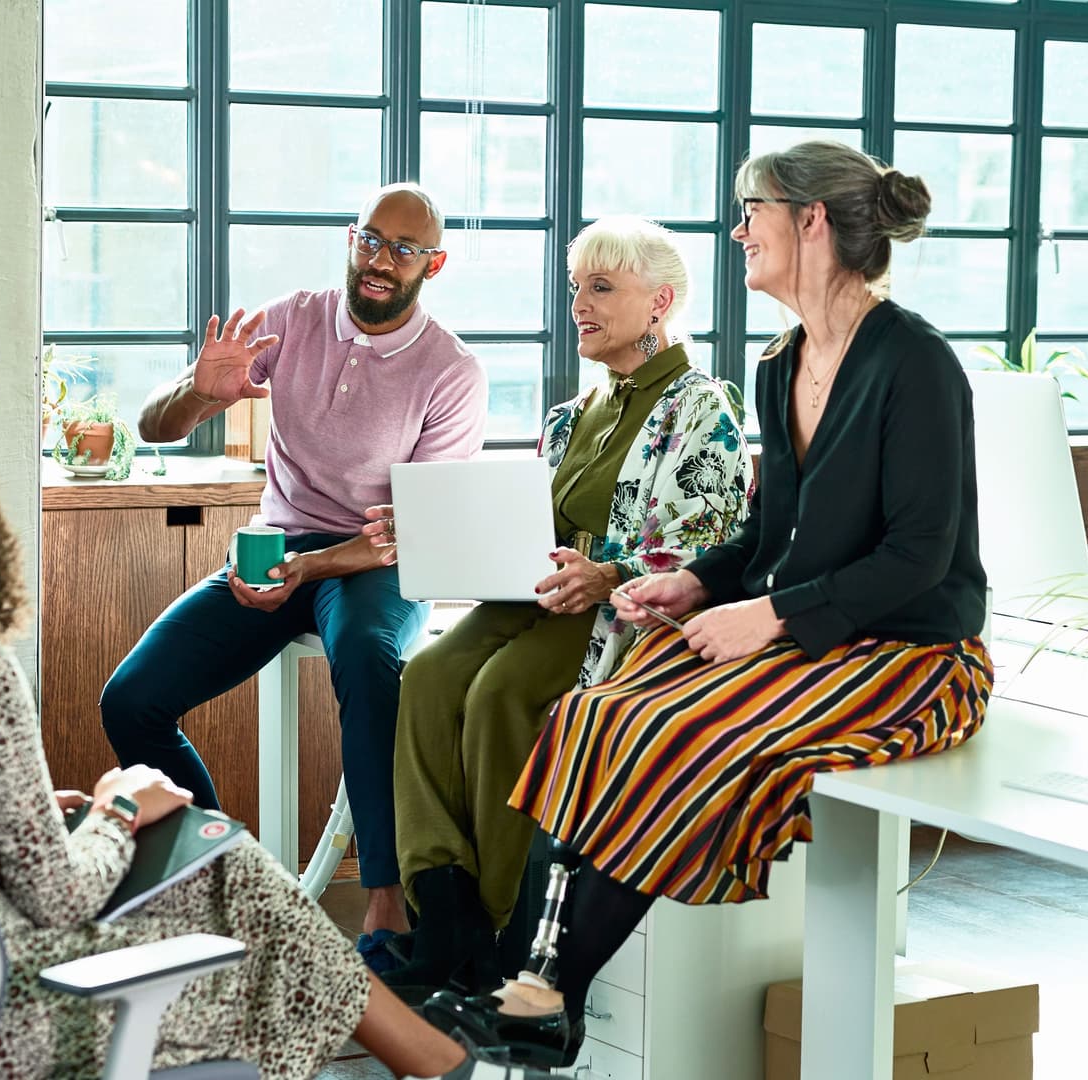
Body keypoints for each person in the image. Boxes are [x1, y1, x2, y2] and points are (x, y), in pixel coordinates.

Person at [0, 425, 546, 1080]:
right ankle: (442, 1063)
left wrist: (55, 816)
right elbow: (61, 896)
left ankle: (435, 1061)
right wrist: (114, 806)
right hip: (10, 1006)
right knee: (234, 872)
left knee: (221, 860)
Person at [426, 141, 996, 1066]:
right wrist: (698, 581)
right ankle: (524, 987)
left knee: (671, 730)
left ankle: (540, 999)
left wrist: (766, 616)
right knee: (590, 715)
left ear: (811, 220)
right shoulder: (782, 365)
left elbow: (920, 559)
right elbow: (774, 535)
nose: (737, 231)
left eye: (751, 209)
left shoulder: (916, 364)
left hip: (912, 657)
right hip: (812, 638)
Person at [366, 217, 750, 989]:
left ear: (659, 303)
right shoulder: (573, 414)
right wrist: (434, 532)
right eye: (576, 288)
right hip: (534, 597)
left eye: (602, 288)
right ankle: (445, 909)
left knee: (499, 692)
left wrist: (609, 575)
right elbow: (526, 525)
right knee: (429, 675)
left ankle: (506, 926)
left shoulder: (702, 409)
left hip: (616, 613)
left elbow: (717, 536)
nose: (580, 303)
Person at [103, 183, 486, 953]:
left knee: (372, 664)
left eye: (403, 250)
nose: (380, 260)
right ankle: (224, 876)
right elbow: (155, 426)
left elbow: (412, 532)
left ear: (433, 265)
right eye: (370, 240)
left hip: (374, 562)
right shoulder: (290, 320)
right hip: (277, 545)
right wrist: (198, 392)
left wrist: (311, 573)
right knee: (132, 700)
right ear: (351, 239)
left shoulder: (451, 371)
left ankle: (385, 902)